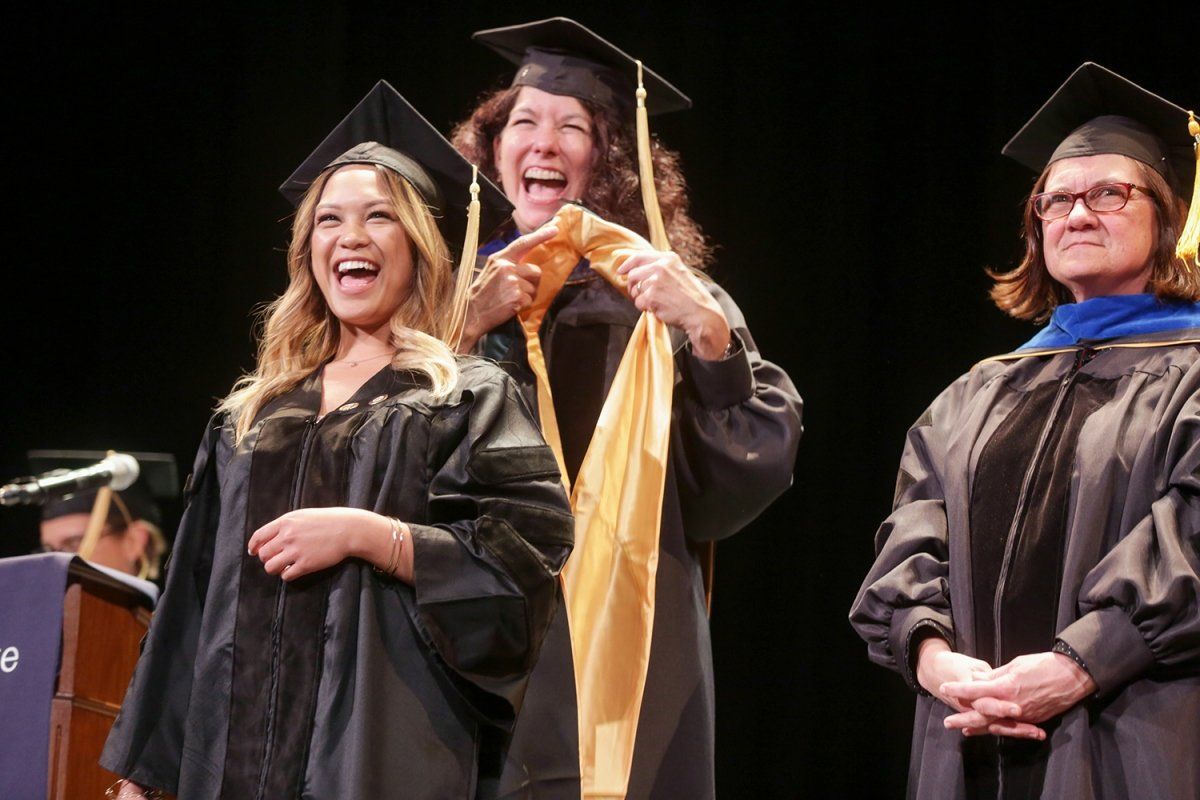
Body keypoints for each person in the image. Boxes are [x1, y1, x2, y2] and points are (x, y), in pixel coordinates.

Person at [100, 81, 574, 800]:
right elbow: (187, 611)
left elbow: (527, 563)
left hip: (383, 762)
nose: (349, 237)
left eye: (378, 216)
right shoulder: (249, 418)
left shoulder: (465, 396)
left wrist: (373, 537)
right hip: (227, 771)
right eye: (328, 220)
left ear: (418, 244)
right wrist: (141, 779)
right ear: (306, 250)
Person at [452, 18, 803, 800]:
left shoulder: (664, 298)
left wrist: (710, 338)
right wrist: (461, 334)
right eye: (524, 122)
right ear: (492, 148)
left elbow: (737, 484)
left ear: (608, 159)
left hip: (629, 630)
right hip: (468, 627)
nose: (542, 142)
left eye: (571, 127)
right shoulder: (448, 296)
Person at [850, 63, 1200, 799]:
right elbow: (913, 539)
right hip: (965, 739)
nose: (1077, 215)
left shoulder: (1191, 372)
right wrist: (933, 656)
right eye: (1057, 200)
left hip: (1136, 734)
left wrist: (1081, 663)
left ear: (1170, 216)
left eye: (1110, 193)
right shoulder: (976, 392)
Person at [35, 450, 176, 581]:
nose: (57, 561)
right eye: (49, 549)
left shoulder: (182, 608)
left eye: (74, 543)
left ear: (135, 541)